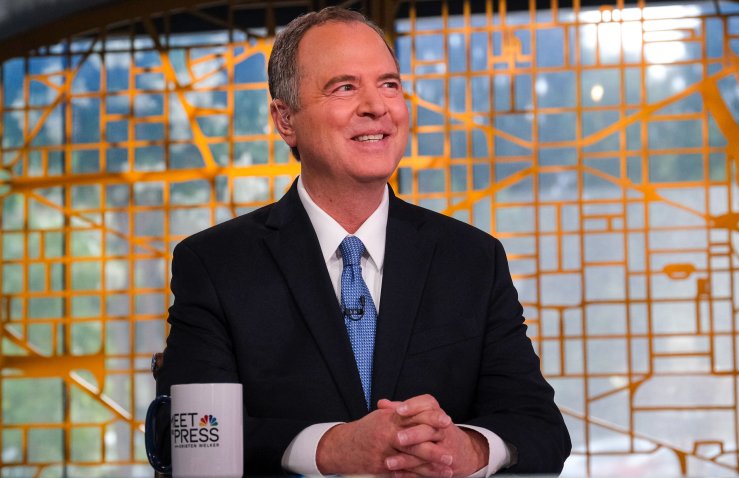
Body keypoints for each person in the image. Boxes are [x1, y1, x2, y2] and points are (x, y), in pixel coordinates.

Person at [158, 6, 570, 476]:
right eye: (345, 87)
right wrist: (330, 447)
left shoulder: (473, 258)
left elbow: (541, 429)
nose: (377, 105)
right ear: (285, 119)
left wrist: (469, 448)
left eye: (390, 84)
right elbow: (185, 434)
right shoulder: (215, 264)